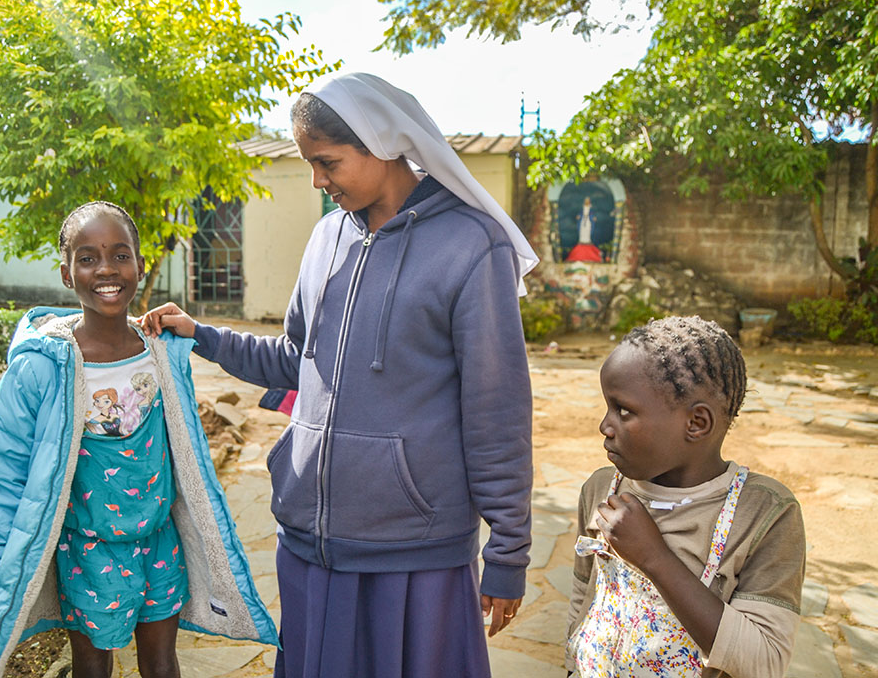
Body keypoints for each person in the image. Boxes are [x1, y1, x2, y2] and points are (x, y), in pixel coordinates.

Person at [143, 72, 539, 678]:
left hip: (413, 550)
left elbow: (497, 411)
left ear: (382, 142)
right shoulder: (327, 238)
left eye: (327, 162)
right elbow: (296, 360)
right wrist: (204, 336)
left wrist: (509, 550)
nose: (316, 181)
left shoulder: (470, 245)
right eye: (309, 163)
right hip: (310, 543)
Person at [0, 201, 277, 678]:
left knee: (163, 663)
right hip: (88, 552)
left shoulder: (160, 356)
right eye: (87, 258)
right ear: (67, 273)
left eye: (120, 255)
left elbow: (182, 451)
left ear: (140, 265)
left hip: (160, 543)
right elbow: (2, 465)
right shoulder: (44, 366)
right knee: (91, 666)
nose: (106, 269)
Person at [567, 316, 805, 678]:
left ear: (696, 423)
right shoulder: (602, 488)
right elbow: (584, 595)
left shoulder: (764, 515)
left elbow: (765, 661)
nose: (605, 425)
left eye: (624, 410)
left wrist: (653, 557)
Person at [565, 197, 603, 262]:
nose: (587, 202)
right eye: (586, 201)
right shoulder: (582, 210)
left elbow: (592, 216)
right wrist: (578, 217)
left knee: (588, 231)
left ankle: (587, 241)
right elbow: (580, 214)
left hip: (588, 222)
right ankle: (582, 241)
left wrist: (593, 218)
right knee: (582, 231)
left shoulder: (591, 210)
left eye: (588, 201)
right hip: (583, 222)